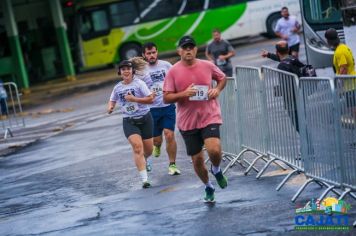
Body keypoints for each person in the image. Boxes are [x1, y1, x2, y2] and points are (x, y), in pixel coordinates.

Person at [163, 35, 228, 203]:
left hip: (209, 115)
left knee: (214, 149)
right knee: (197, 160)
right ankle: (208, 186)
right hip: (188, 122)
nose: (188, 50)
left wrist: (217, 90)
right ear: (179, 51)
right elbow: (166, 98)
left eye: (191, 47)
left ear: (196, 49)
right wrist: (184, 94)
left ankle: (216, 169)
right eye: (184, 48)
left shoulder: (207, 65)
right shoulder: (173, 71)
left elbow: (222, 78)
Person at [107, 60, 155, 188]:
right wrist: (111, 107)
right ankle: (145, 179)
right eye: (123, 69)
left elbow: (151, 99)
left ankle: (145, 159)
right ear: (120, 72)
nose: (126, 71)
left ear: (132, 71)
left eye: (128, 68)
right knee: (137, 147)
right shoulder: (117, 88)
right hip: (129, 121)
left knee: (149, 150)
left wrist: (135, 99)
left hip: (145, 118)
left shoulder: (140, 84)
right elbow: (112, 100)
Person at [142, 42, 181, 176]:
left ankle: (172, 165)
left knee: (169, 134)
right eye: (149, 53)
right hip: (152, 109)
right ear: (144, 55)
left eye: (153, 52)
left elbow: (176, 80)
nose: (152, 55)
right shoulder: (141, 71)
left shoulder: (166, 65)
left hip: (168, 106)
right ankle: (157, 145)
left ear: (157, 52)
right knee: (156, 140)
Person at [325, 28, 356, 117]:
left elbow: (343, 69)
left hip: (350, 86)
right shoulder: (343, 47)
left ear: (328, 41)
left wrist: (340, 87)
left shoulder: (340, 52)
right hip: (352, 82)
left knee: (353, 110)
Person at [274, 40, 303, 133]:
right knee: (302, 124)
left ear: (277, 52)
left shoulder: (282, 66)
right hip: (301, 95)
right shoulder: (293, 59)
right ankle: (307, 146)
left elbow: (286, 85)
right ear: (289, 49)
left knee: (299, 127)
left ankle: (308, 146)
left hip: (291, 101)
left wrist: (279, 90)